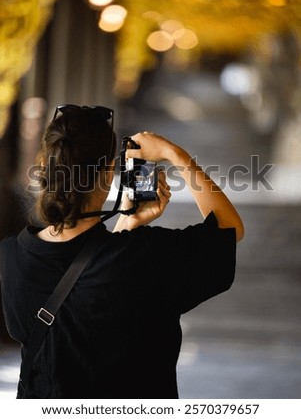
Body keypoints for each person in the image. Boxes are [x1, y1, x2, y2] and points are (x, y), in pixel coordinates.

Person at [0, 104, 244, 399]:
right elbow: (229, 230)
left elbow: (82, 294)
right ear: (108, 174)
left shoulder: (11, 257)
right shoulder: (147, 257)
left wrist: (128, 223)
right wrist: (176, 155)